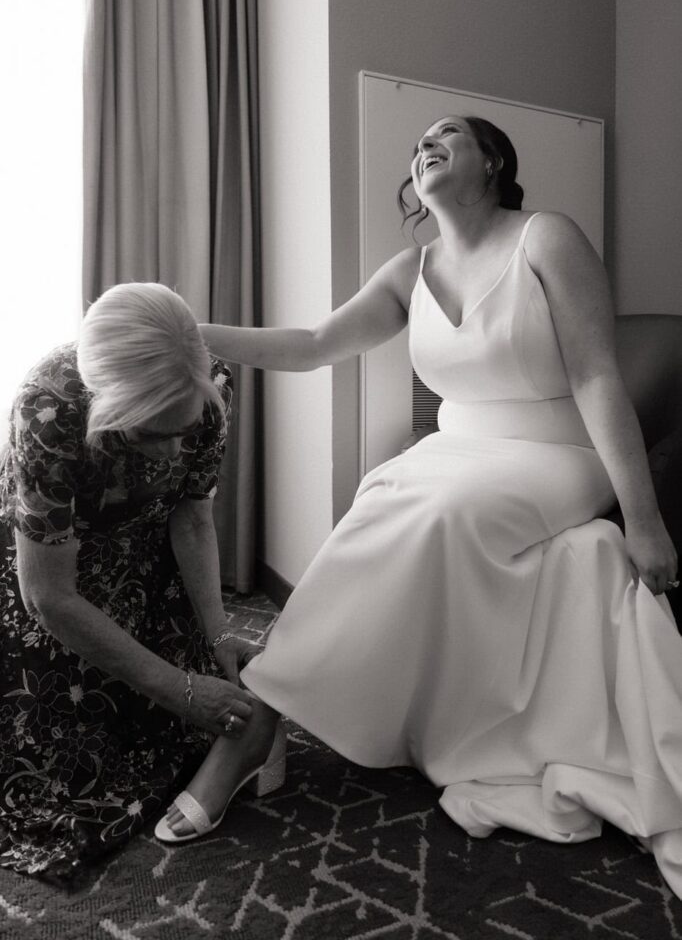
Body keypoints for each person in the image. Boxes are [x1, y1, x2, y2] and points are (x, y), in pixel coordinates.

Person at [158, 117, 682, 896]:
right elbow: (311, 343)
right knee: (379, 496)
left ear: (493, 161)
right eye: (417, 145)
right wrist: (186, 334)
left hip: (555, 454)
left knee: (440, 512)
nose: (423, 146)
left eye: (446, 136)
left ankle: (257, 721)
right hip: (456, 451)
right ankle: (276, 705)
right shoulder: (413, 268)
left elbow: (600, 378)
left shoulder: (547, 238)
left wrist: (644, 521)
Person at [0, 282, 285, 883]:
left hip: (148, 559)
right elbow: (47, 595)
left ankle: (248, 736)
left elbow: (191, 515)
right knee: (59, 763)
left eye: (185, 429)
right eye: (154, 435)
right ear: (105, 405)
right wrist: (176, 687)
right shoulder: (47, 409)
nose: (175, 449)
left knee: (205, 697)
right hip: (58, 570)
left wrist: (217, 632)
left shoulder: (210, 386)